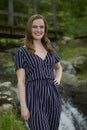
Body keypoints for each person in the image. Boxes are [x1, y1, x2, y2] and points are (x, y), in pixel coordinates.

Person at [14, 14, 62, 130]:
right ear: (29, 29)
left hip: (53, 98)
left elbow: (58, 67)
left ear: (45, 29)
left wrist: (58, 78)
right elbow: (21, 81)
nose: (38, 30)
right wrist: (24, 107)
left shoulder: (50, 48)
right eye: (34, 27)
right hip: (34, 99)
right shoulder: (21, 52)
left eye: (41, 27)